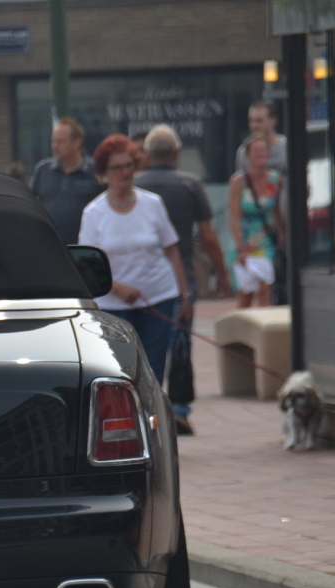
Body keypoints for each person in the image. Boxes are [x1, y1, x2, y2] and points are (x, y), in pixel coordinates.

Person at [135, 124, 231, 435]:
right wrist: (222, 272)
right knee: (179, 345)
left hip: (143, 280)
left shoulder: (134, 186)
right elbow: (208, 236)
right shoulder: (190, 184)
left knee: (145, 347)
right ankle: (178, 409)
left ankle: (146, 408)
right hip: (180, 279)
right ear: (176, 153)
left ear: (147, 155)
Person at [79, 134, 192, 386]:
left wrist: (185, 296)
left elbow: (172, 251)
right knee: (120, 371)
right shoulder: (94, 213)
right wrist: (119, 289)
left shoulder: (153, 204)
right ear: (103, 172)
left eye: (129, 165)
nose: (125, 172)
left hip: (158, 298)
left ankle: (154, 422)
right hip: (113, 304)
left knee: (153, 369)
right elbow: (88, 266)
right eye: (117, 167)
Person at [228, 135, 284, 308]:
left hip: (265, 242)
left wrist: (283, 236)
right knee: (245, 296)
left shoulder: (276, 180)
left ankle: (264, 333)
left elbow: (277, 212)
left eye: (263, 150)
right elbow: (234, 216)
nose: (261, 154)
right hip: (245, 242)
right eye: (256, 151)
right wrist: (239, 247)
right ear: (248, 156)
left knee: (265, 292)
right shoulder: (239, 182)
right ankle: (242, 334)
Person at [29, 118, 103, 245]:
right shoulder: (43, 170)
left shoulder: (95, 171)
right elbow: (29, 204)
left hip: (85, 248)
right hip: (50, 247)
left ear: (77, 143)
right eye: (53, 141)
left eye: (60, 142)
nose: (55, 147)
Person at [234, 100, 287, 175]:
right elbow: (241, 182)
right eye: (251, 121)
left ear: (273, 120)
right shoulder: (244, 151)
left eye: (259, 121)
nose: (254, 126)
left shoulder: (287, 147)